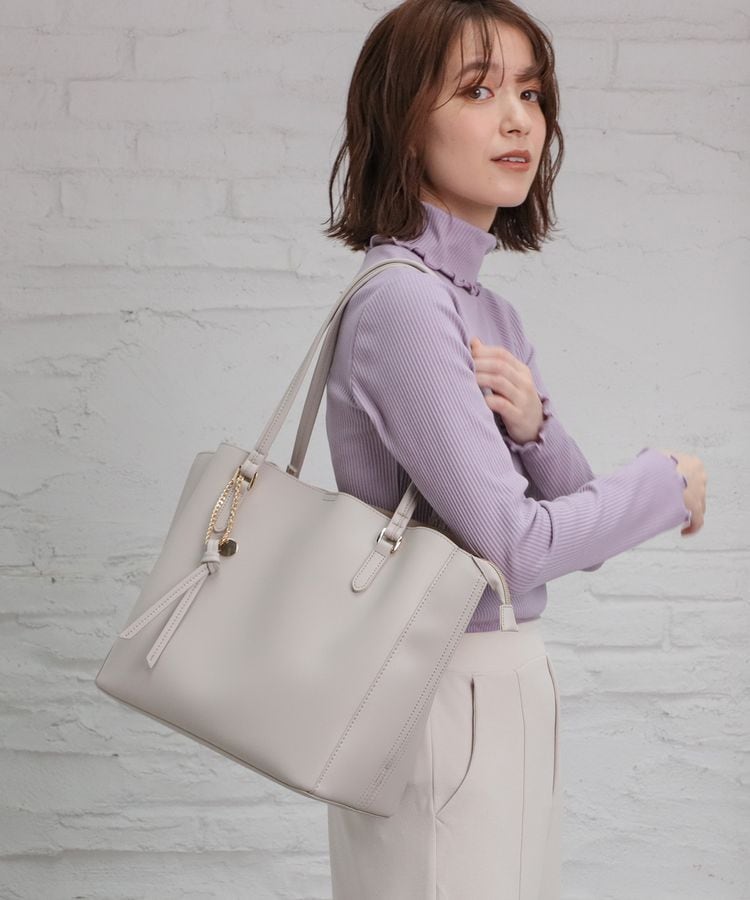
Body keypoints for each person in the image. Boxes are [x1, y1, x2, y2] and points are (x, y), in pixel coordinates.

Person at [321, 1, 708, 897]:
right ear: (404, 122)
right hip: (441, 690)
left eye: (530, 94)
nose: (517, 120)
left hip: (501, 683)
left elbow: (572, 526)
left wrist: (536, 427)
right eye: (478, 90)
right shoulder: (404, 302)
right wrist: (667, 482)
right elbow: (516, 547)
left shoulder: (486, 309)